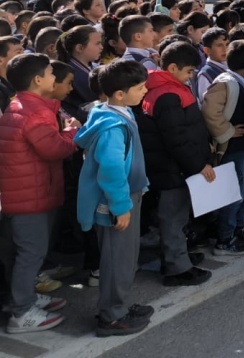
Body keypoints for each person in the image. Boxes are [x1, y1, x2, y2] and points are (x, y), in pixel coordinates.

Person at [0, 54, 79, 334]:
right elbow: (55, 149)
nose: (53, 78)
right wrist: (71, 133)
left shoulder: (22, 105)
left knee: (21, 253)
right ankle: (21, 313)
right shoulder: (34, 112)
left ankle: (22, 299)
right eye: (49, 73)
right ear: (37, 80)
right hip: (29, 198)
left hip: (24, 194)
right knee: (30, 254)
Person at [74, 60, 154, 337]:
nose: (145, 90)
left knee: (123, 257)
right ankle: (111, 316)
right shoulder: (113, 126)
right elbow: (110, 169)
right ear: (120, 93)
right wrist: (121, 206)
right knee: (118, 260)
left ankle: (117, 307)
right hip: (115, 202)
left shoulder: (110, 112)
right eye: (140, 87)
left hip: (124, 196)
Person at [135, 41, 214, 287]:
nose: (192, 76)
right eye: (189, 71)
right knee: (173, 218)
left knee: (176, 217)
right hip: (173, 168)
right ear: (171, 67)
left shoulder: (164, 87)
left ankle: (177, 256)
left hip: (173, 166)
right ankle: (176, 269)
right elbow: (176, 138)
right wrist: (198, 165)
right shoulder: (167, 94)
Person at [201, 40, 244, 256]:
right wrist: (226, 130)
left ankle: (240, 229)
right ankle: (225, 239)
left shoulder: (243, 80)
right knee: (232, 195)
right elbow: (209, 111)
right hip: (234, 149)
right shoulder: (225, 82)